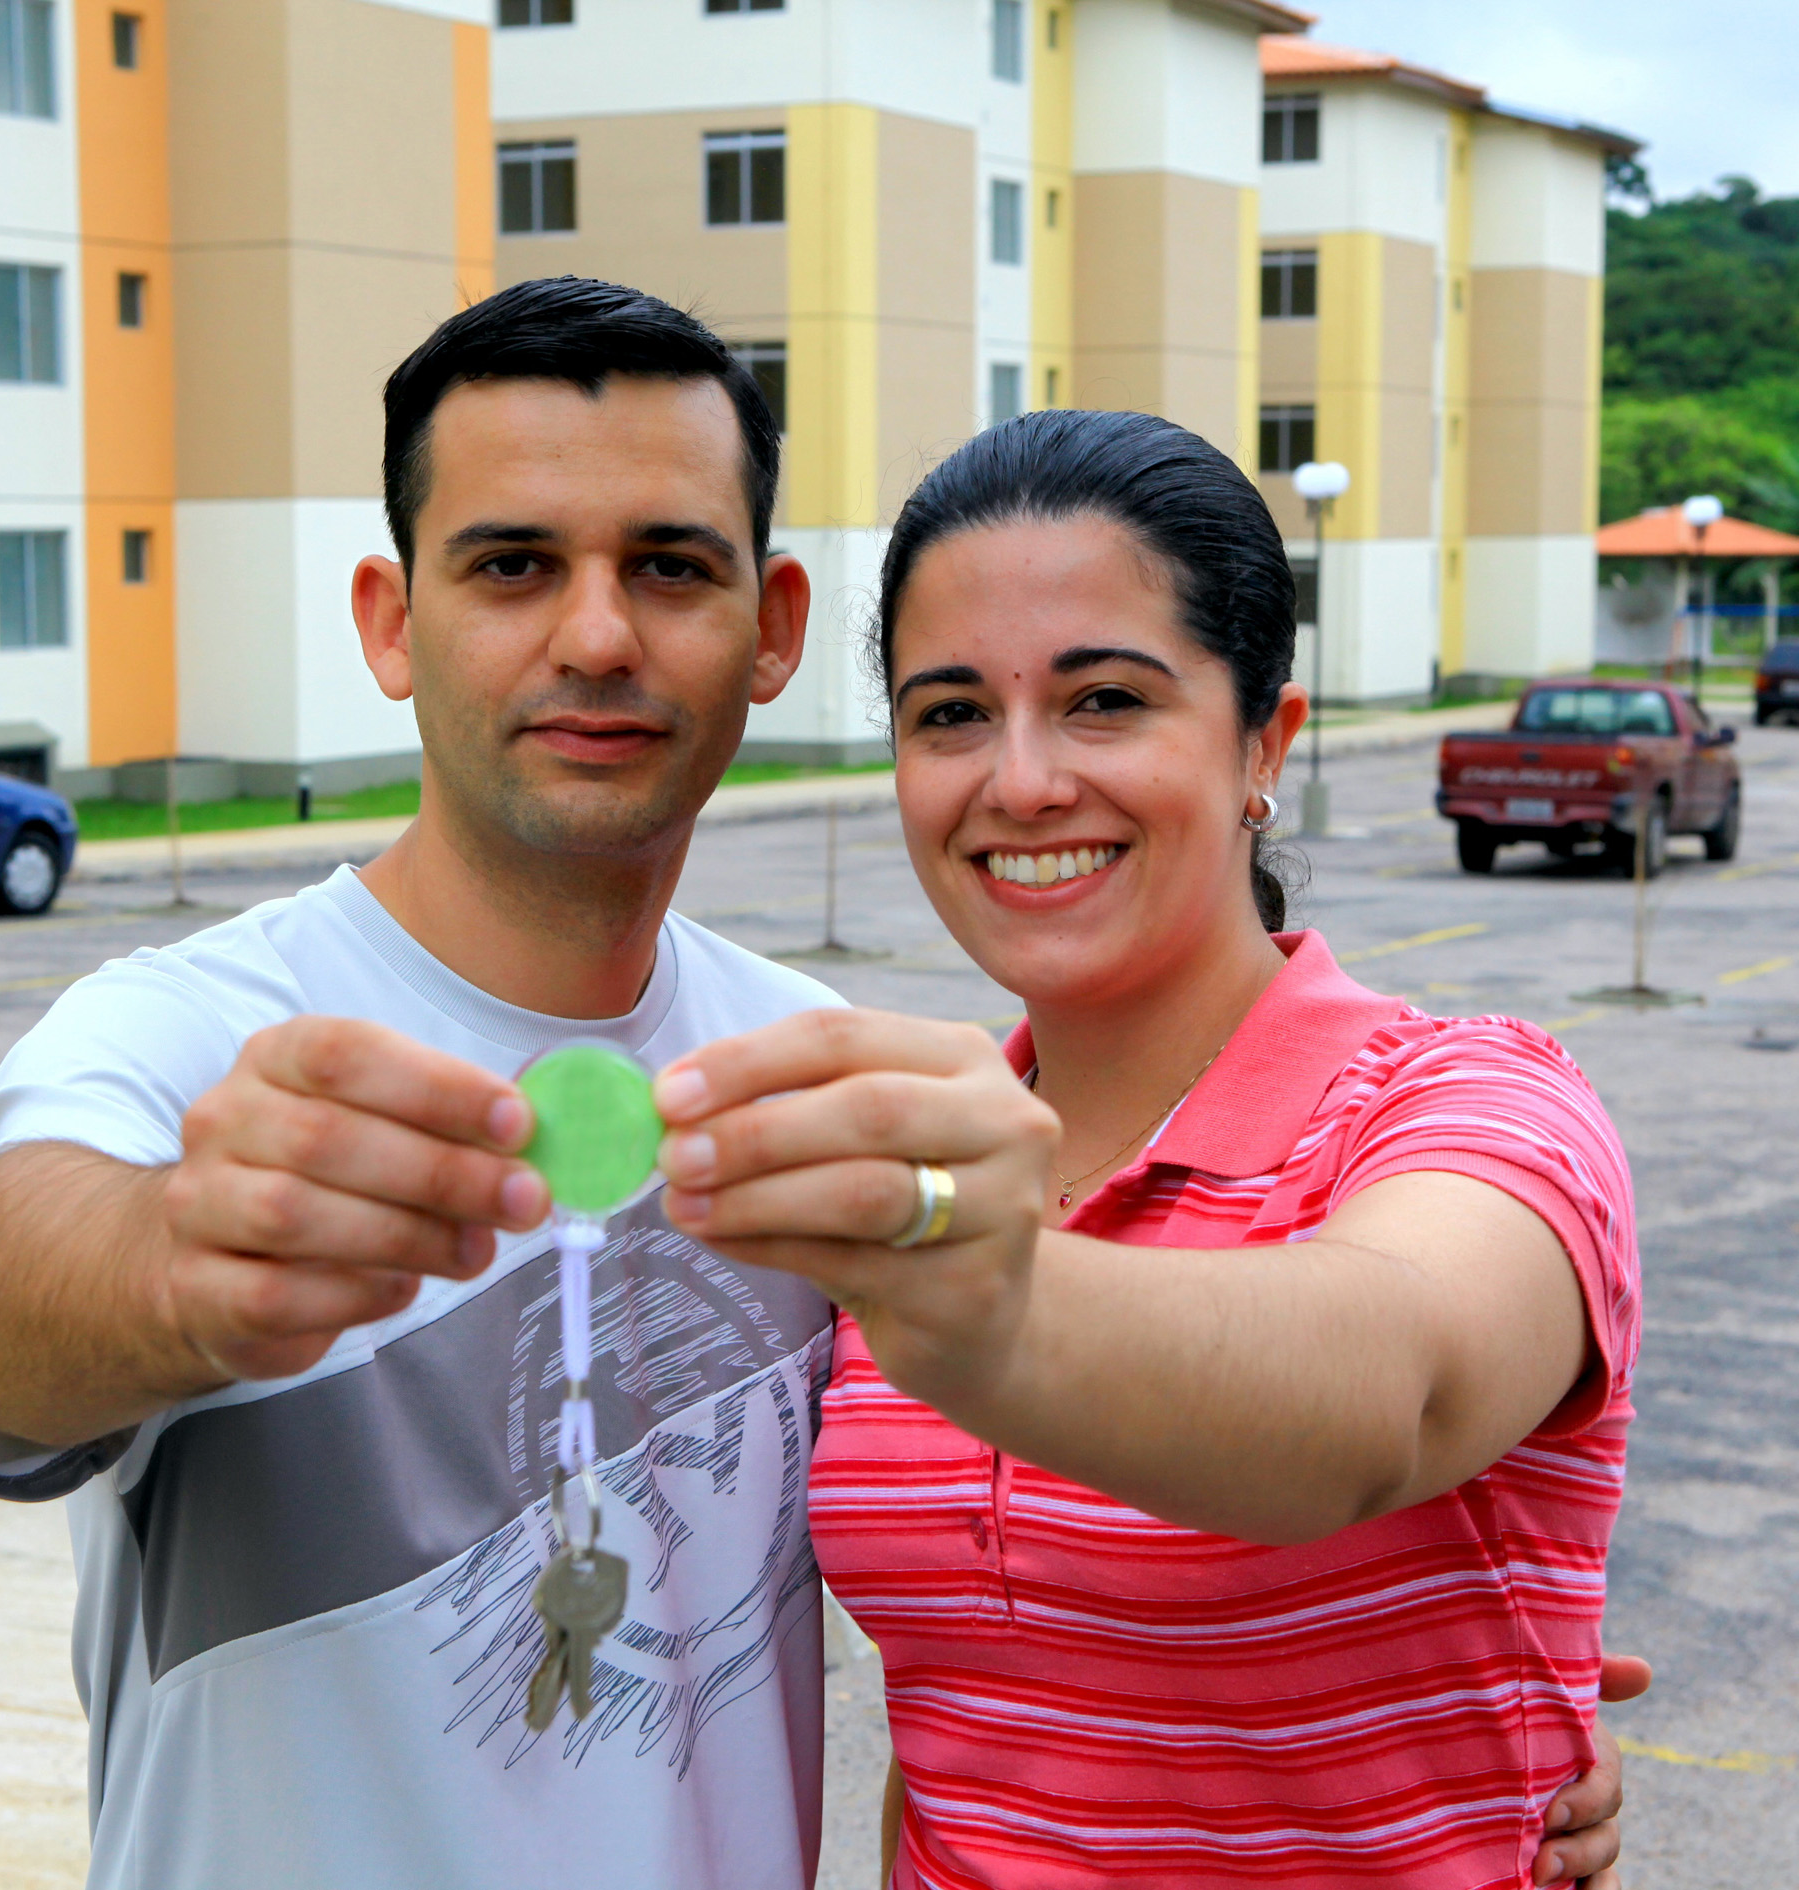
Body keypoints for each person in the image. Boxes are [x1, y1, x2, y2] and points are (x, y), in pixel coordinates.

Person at [0, 278, 1637, 1886]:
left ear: (769, 625)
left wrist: (1479, 1673)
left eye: (669, 565)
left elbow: (1373, 1404)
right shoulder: (202, 1037)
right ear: (390, 619)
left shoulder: (860, 1116)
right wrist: (182, 1261)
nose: (595, 635)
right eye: (510, 565)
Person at [648, 409, 1643, 1888]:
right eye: (950, 713)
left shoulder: (1468, 1102)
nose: (1025, 779)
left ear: (1264, 743)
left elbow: (1392, 1391)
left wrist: (989, 1292)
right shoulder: (938, 1171)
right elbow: (964, 1735)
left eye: (1106, 700)